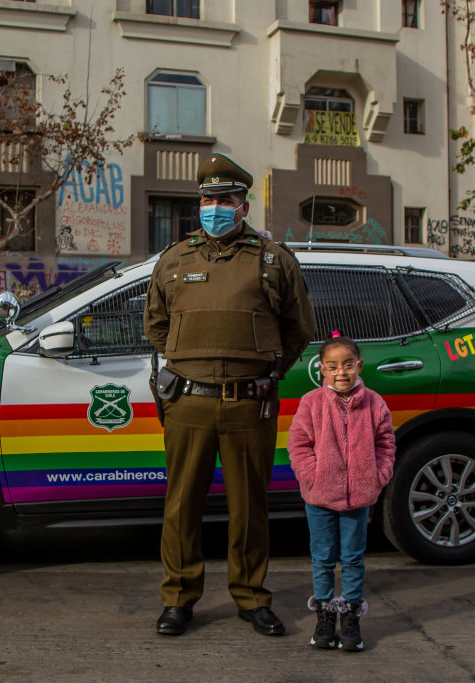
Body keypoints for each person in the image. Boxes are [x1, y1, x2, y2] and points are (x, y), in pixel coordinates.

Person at [144, 152, 316, 637]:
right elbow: (156, 326)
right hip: (188, 403)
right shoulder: (174, 260)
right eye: (207, 199)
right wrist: (192, 365)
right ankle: (178, 598)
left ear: (243, 205)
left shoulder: (273, 260)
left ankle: (252, 597)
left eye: (224, 199)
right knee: (181, 506)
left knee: (249, 507)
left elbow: (297, 329)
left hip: (249, 403)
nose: (214, 206)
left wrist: (261, 369)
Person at [287, 335, 396, 651]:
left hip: (359, 498)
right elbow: (299, 445)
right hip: (319, 496)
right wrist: (312, 477)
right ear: (322, 369)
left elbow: (385, 444)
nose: (341, 373)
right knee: (322, 558)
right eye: (333, 367)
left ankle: (350, 618)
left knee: (352, 558)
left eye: (348, 365)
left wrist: (378, 477)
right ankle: (324, 617)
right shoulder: (311, 403)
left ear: (359, 366)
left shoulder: (374, 403)